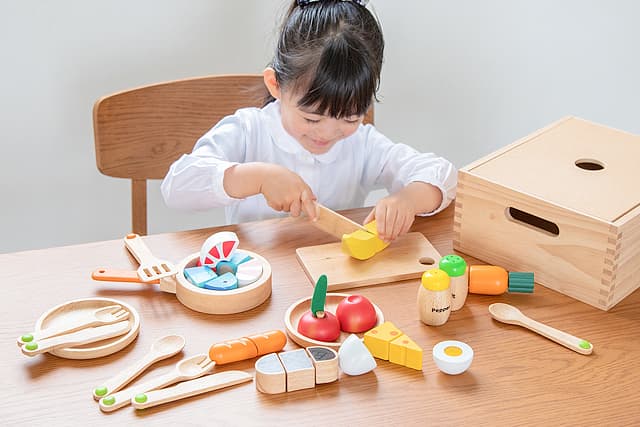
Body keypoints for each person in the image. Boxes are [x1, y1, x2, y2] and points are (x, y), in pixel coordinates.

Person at [161, 0, 456, 242]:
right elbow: (177, 187)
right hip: (259, 280)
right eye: (311, 118)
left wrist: (407, 199)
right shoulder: (249, 131)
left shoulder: (362, 144)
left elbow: (442, 174)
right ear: (275, 85)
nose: (328, 132)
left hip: (334, 279)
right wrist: (259, 178)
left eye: (350, 117)